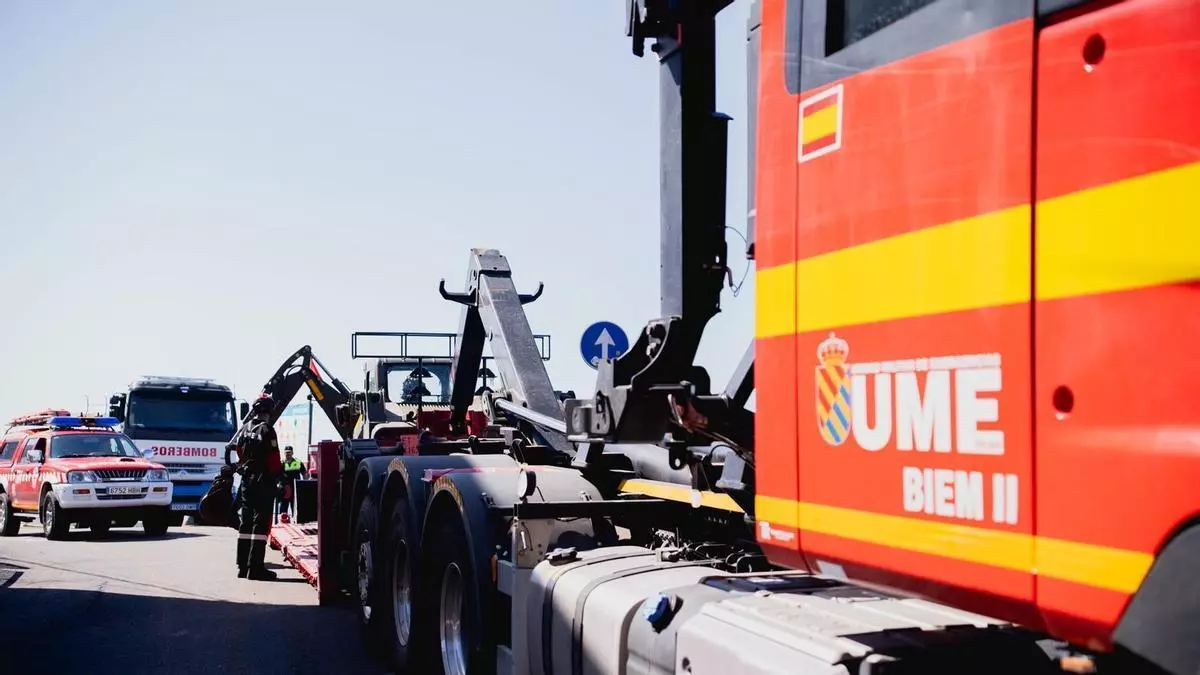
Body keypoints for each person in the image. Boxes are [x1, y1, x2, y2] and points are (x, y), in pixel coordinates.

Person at [231, 394, 282, 580]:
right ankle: (256, 568)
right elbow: (274, 460)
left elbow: (239, 451)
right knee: (260, 523)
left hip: (247, 480)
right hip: (263, 481)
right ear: (269, 410)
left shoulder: (245, 428)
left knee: (245, 522)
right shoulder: (268, 430)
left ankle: (242, 566)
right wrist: (281, 480)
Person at [276, 446, 306, 520]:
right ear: (284, 453)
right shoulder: (281, 463)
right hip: (284, 489)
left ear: (292, 453)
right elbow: (277, 476)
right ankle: (282, 521)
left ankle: (296, 521)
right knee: (283, 509)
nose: (288, 454)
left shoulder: (298, 462)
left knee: (295, 508)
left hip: (295, 489)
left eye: (289, 452)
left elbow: (304, 474)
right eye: (286, 452)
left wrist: (305, 484)